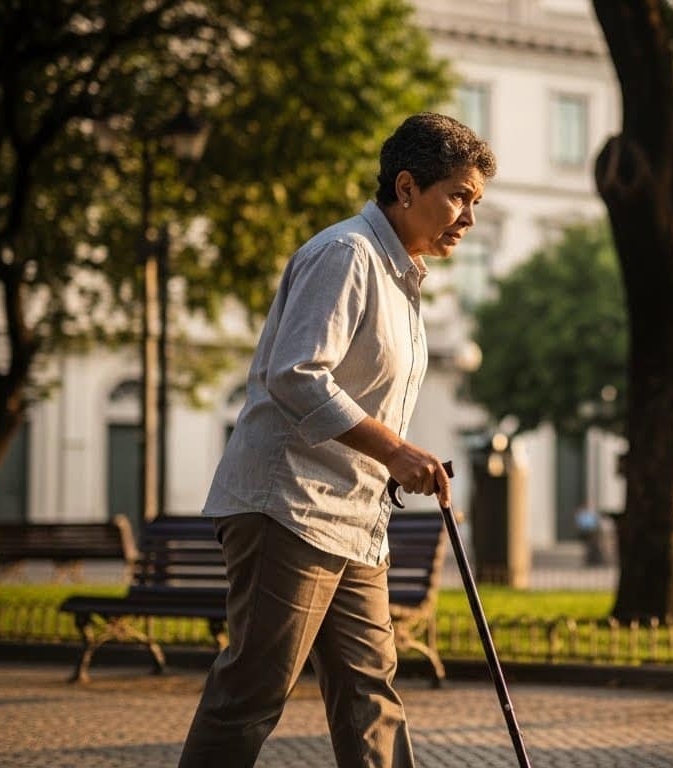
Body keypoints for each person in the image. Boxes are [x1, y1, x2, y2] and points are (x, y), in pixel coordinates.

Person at [178, 113, 495, 768]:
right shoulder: (346, 256)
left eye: (475, 202)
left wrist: (390, 465)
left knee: (369, 692)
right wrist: (397, 452)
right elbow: (295, 376)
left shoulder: (400, 279)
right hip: (287, 510)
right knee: (254, 692)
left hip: (355, 522)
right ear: (406, 188)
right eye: (458, 196)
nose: (468, 216)